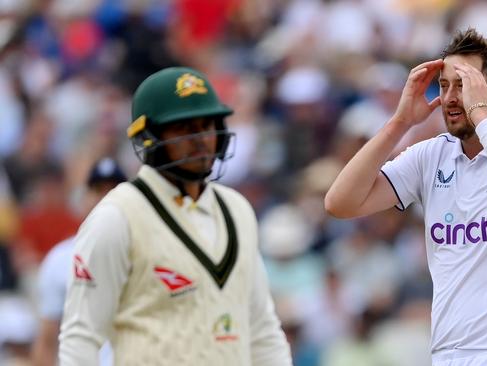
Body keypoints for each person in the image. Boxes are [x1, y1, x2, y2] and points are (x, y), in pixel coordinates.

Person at [325, 28, 487, 365]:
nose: (452, 97)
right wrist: (399, 123)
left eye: (464, 85)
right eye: (445, 85)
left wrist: (481, 113)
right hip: (446, 352)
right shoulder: (431, 155)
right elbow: (340, 203)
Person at [59, 67, 292, 365]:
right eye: (182, 128)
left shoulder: (237, 210)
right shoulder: (117, 216)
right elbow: (81, 336)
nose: (200, 139)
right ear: (149, 137)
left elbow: (262, 331)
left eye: (206, 125)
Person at [31, 157, 126, 366]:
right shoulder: (59, 259)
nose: (105, 198)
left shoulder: (145, 251)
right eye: (98, 190)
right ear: (84, 198)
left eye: (113, 190)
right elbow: (46, 341)